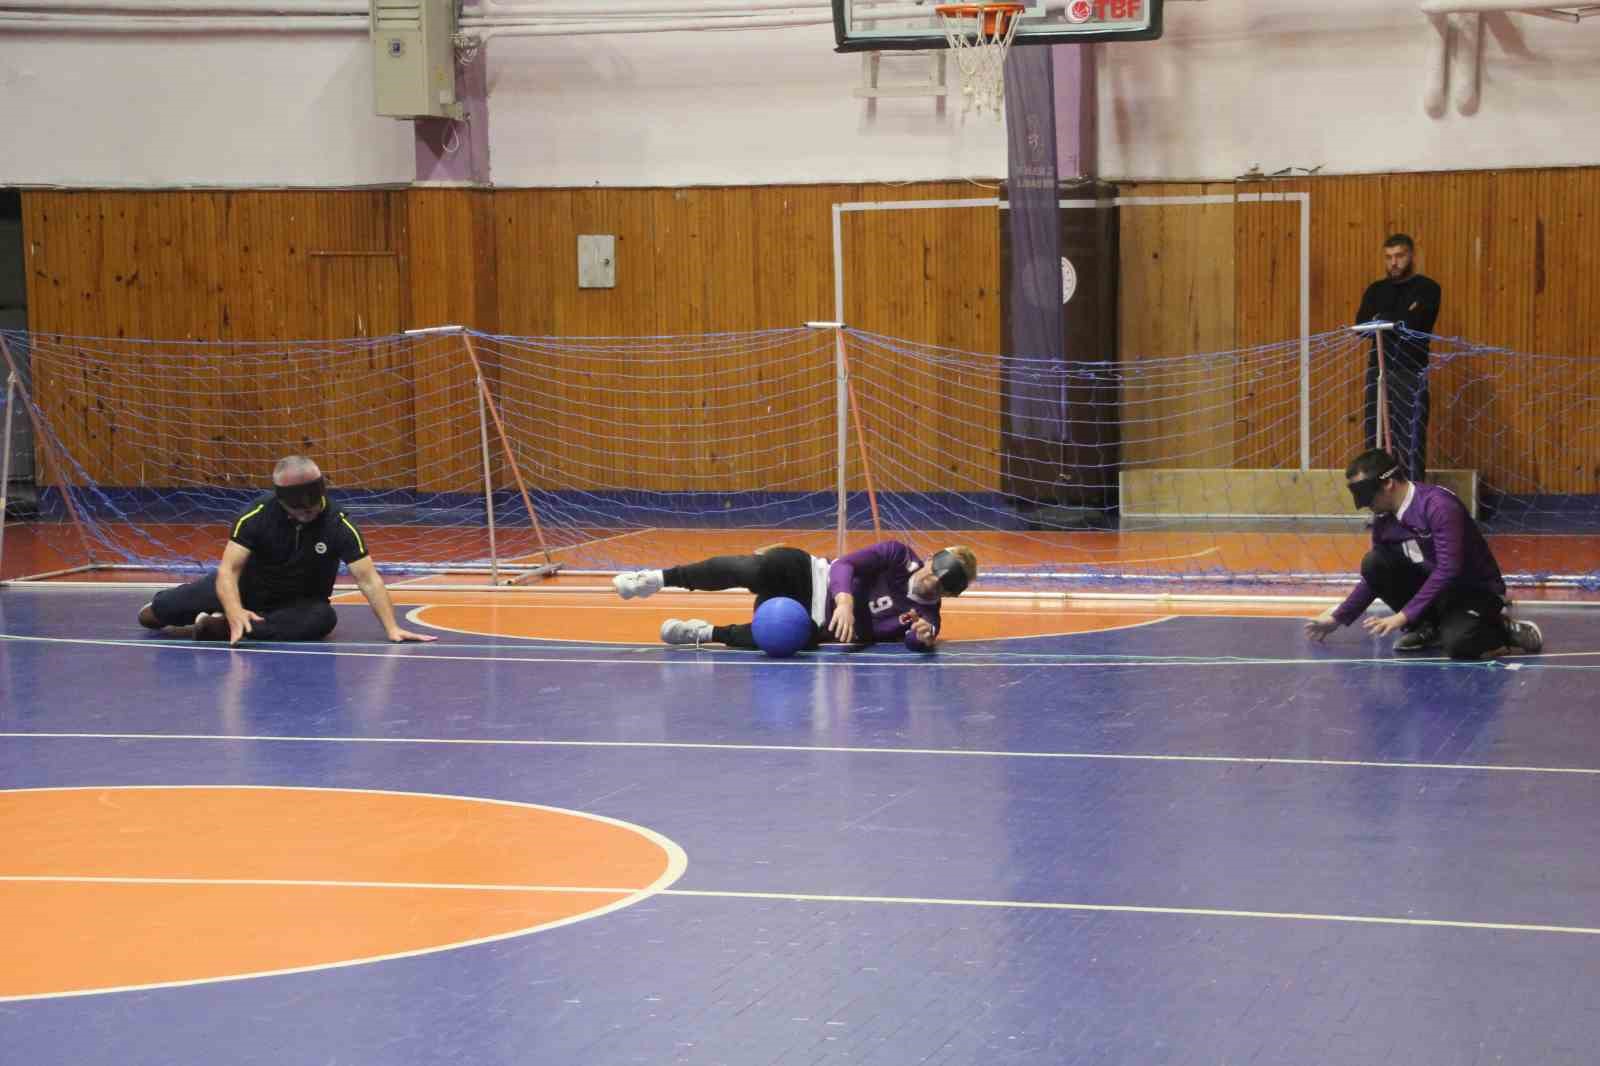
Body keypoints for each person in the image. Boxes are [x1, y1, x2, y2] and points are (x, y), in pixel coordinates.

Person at [137, 455, 437, 645]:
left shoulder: (339, 523)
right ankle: (206, 612)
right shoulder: (256, 515)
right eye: (298, 507)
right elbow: (229, 570)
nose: (307, 511)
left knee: (322, 620)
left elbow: (368, 578)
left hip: (297, 603)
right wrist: (235, 607)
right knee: (154, 616)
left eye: (313, 505)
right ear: (281, 500)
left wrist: (392, 628)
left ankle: (221, 628)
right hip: (245, 590)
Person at [1305, 449, 1541, 660]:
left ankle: (1503, 630)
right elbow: (1374, 578)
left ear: (1388, 483)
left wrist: (1403, 616)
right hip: (1437, 591)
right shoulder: (1384, 518)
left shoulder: (1438, 506)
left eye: (1365, 493)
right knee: (1374, 563)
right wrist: (1338, 617)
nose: (1363, 503)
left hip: (1474, 590)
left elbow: (1449, 569)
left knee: (1460, 644)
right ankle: (1428, 627)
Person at [612, 541, 979, 652]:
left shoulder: (928, 618)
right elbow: (845, 565)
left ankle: (703, 633)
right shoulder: (897, 555)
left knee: (778, 638)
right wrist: (845, 602)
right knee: (753, 569)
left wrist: (922, 639)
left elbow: (916, 639)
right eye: (935, 570)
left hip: (812, 623)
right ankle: (656, 579)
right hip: (810, 575)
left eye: (943, 585)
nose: (932, 581)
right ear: (930, 559)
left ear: (950, 593)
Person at [1356, 233, 1442, 482]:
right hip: (1378, 372)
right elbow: (1361, 326)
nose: (1393, 262)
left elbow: (1414, 323)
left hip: (1410, 372)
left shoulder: (1427, 288)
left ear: (1411, 256)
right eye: (1388, 257)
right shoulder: (1375, 290)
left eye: (1399, 256)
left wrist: (1384, 320)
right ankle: (1379, 498)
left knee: (1410, 441)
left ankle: (1413, 497)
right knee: (1375, 438)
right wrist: (1396, 320)